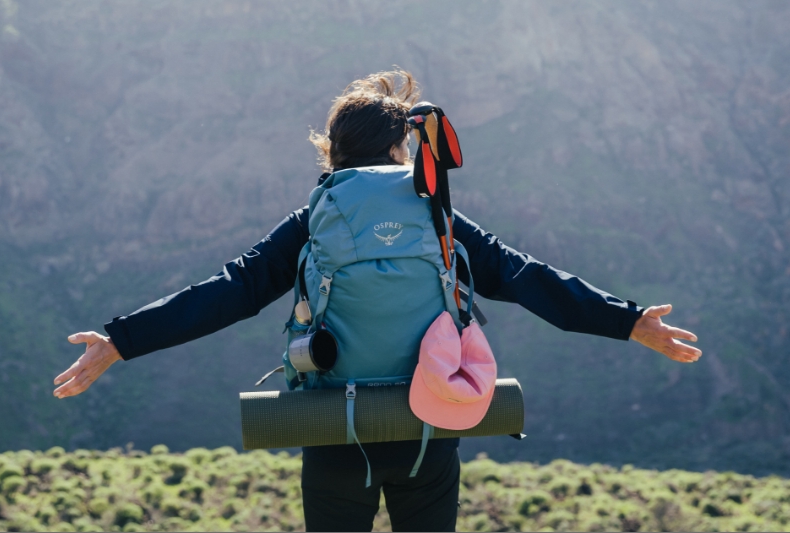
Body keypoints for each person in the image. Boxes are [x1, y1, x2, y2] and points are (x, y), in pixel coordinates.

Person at [53, 69, 701, 532]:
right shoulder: (435, 212)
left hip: (336, 427)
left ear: (332, 151)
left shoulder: (316, 215)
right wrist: (628, 320)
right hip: (430, 423)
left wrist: (120, 340)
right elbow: (527, 277)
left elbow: (230, 291)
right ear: (402, 150)